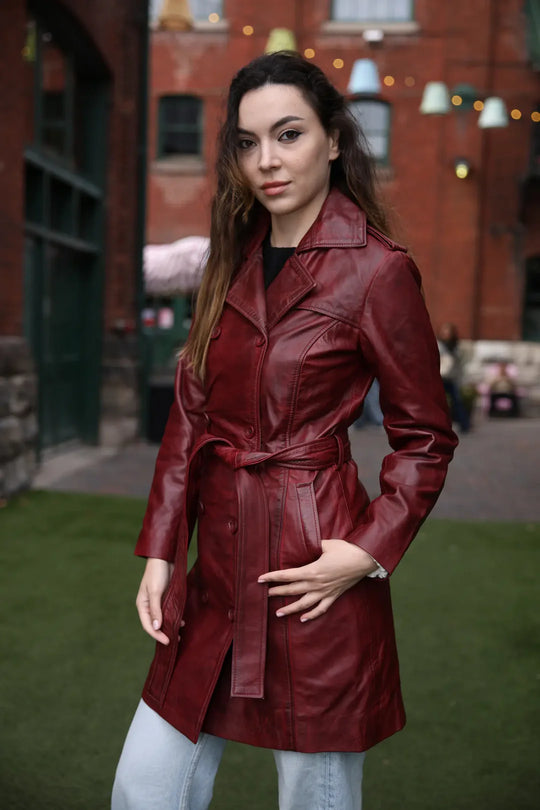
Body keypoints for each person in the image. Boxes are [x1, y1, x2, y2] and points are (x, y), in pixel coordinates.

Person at [112, 52, 458, 810]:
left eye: (289, 134)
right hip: (215, 570)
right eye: (248, 142)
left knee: (315, 796)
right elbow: (192, 414)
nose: (266, 159)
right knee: (144, 787)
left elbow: (426, 438)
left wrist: (365, 551)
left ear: (333, 139)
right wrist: (163, 550)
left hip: (314, 573)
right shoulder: (227, 258)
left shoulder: (378, 270)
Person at [437, 322, 470, 433]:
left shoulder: (456, 346)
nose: (445, 333)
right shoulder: (438, 344)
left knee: (457, 401)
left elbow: (459, 363)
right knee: (438, 401)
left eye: (448, 331)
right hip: (440, 377)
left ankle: (464, 424)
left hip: (451, 377)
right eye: (444, 331)